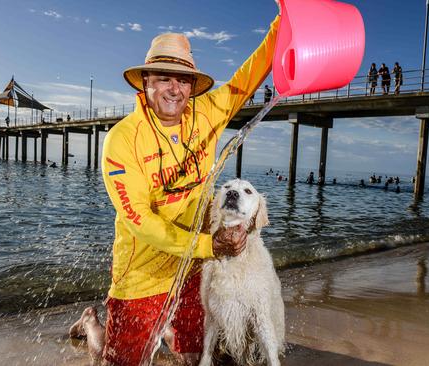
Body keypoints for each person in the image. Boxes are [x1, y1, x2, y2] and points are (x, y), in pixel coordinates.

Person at [68, 7, 281, 366]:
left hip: (193, 264)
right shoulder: (122, 141)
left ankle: (164, 326)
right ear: (146, 80)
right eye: (165, 78)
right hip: (142, 272)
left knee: (195, 357)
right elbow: (139, 219)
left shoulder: (206, 112)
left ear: (192, 86)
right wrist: (208, 245)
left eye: (183, 80)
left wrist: (282, 21)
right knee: (114, 363)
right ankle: (91, 323)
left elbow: (251, 74)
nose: (174, 89)